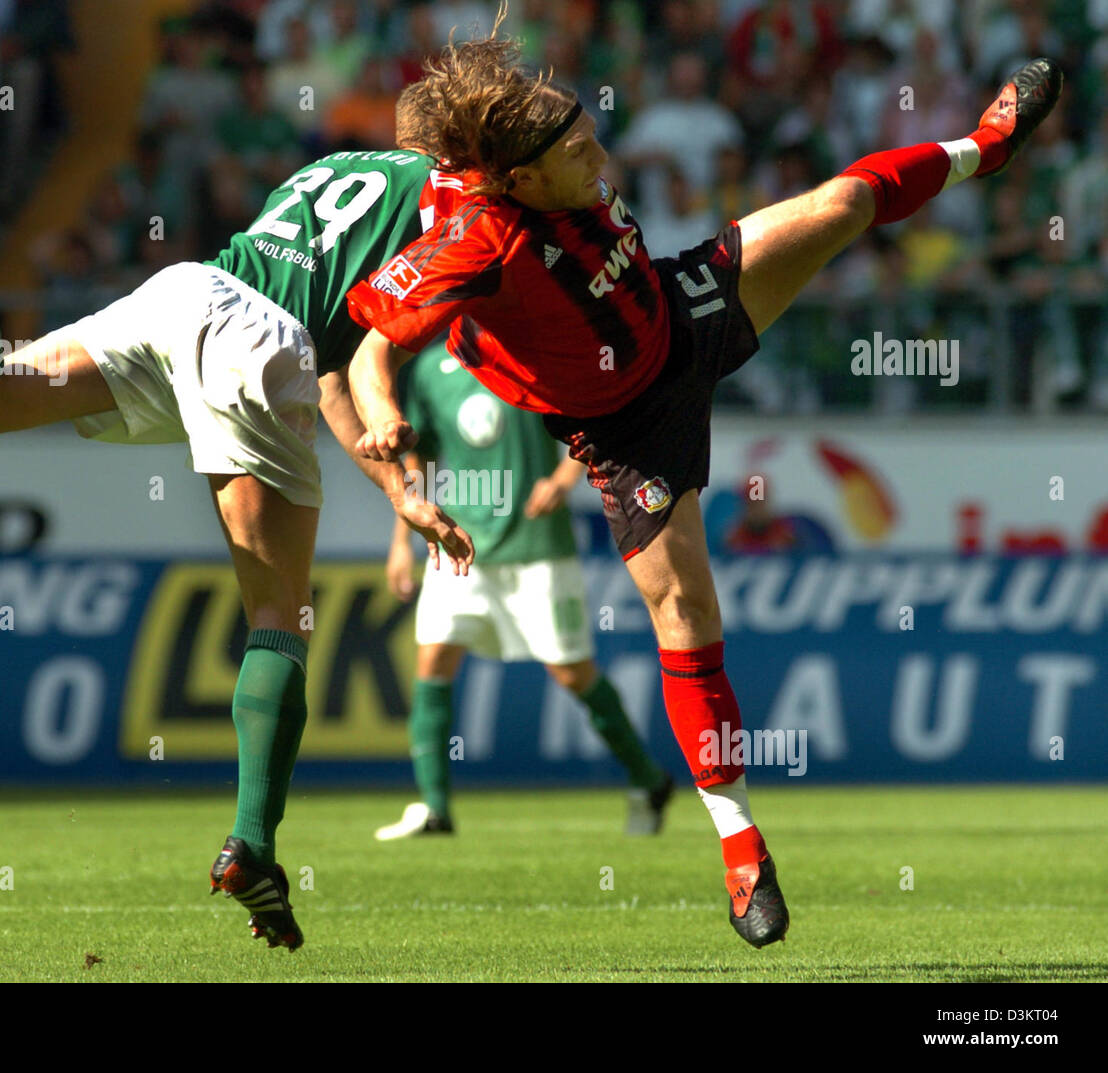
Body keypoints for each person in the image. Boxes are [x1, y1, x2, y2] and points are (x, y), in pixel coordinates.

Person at [344, 17, 1061, 947]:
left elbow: (417, 121)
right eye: (579, 149)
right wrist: (385, 430)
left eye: (588, 133)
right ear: (520, 181)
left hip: (680, 307)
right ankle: (741, 847)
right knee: (686, 614)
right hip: (623, 427)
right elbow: (370, 351)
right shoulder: (474, 244)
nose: (600, 154)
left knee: (839, 206)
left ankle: (984, 146)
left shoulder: (514, 162)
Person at [0, 137, 476, 954]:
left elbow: (323, 356)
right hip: (255, 335)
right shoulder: (458, 200)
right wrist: (406, 485)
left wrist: (399, 490)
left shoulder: (329, 169)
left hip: (183, 292)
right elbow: (348, 366)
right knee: (280, 613)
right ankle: (252, 843)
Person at [376, 341, 675, 841]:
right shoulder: (431, 368)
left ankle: (650, 779)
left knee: (571, 672)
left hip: (537, 544)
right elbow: (420, 460)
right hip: (459, 540)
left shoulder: (529, 346)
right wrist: (402, 542)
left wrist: (563, 476)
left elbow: (594, 416)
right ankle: (435, 809)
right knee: (432, 662)